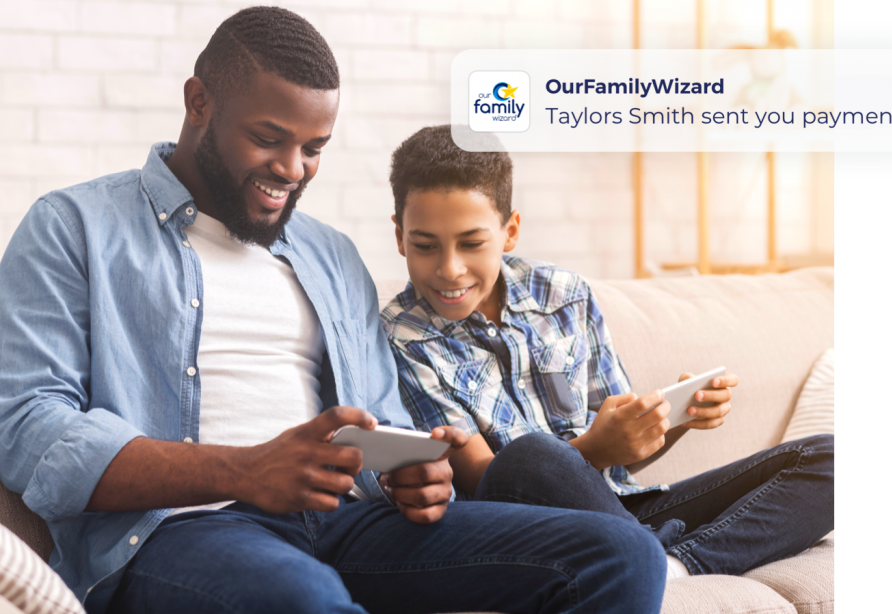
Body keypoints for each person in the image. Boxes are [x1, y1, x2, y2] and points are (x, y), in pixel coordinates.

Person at [0, 8, 669, 614]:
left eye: (314, 148)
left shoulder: (330, 254)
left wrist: (411, 472)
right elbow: (26, 427)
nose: (292, 169)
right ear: (199, 102)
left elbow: (384, 420)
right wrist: (244, 470)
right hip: (182, 529)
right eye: (269, 138)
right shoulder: (74, 227)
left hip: (349, 521)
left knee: (619, 554)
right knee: (306, 601)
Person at [380, 124, 836, 580]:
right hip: (531, 529)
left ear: (510, 231)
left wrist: (666, 421)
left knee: (826, 459)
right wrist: (594, 447)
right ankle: (647, 555)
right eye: (425, 246)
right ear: (400, 236)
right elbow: (487, 480)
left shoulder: (565, 295)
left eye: (472, 243)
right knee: (528, 456)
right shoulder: (401, 336)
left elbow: (623, 454)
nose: (450, 268)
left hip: (627, 508)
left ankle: (673, 565)